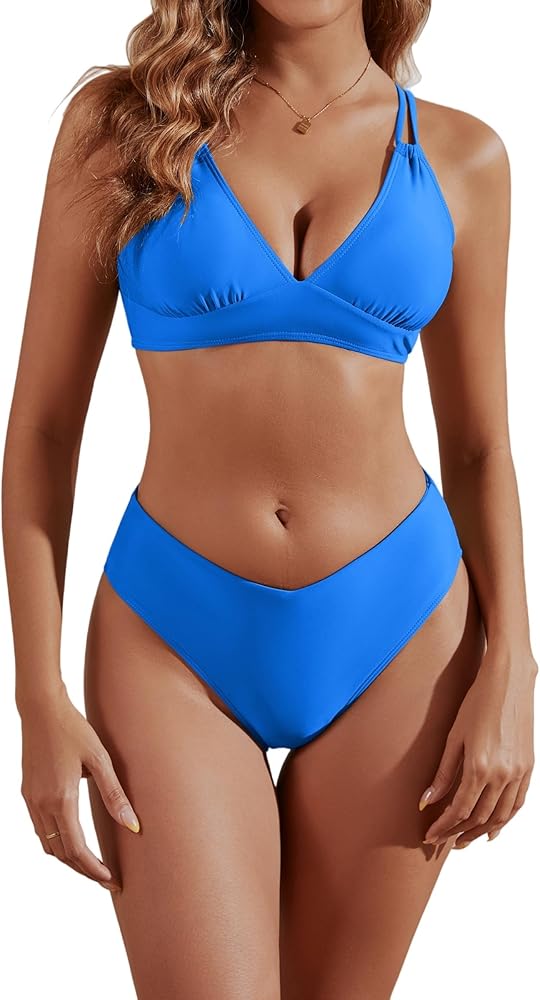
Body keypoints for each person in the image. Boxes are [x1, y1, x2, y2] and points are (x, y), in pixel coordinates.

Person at [2, 1, 537, 997]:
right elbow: (40, 431)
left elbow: (478, 446)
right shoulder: (122, 127)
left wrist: (514, 663)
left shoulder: (464, 158)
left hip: (404, 637)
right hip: (172, 638)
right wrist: (36, 691)